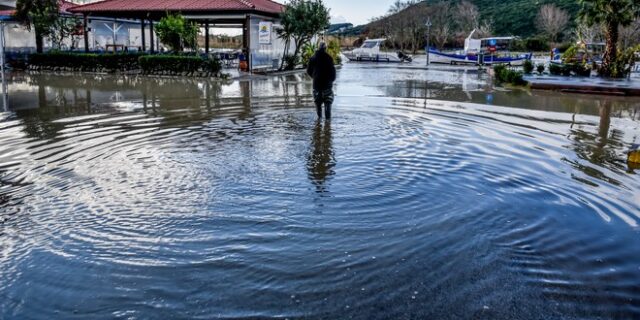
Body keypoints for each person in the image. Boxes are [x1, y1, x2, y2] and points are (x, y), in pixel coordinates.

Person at [306, 42, 336, 119]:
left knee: (318, 104)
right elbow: (333, 73)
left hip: (317, 86)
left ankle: (319, 122)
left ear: (318, 48)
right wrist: (331, 80)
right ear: (325, 48)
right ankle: (328, 124)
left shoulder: (313, 58)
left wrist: (314, 77)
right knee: (328, 104)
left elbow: (308, 71)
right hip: (327, 86)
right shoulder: (329, 58)